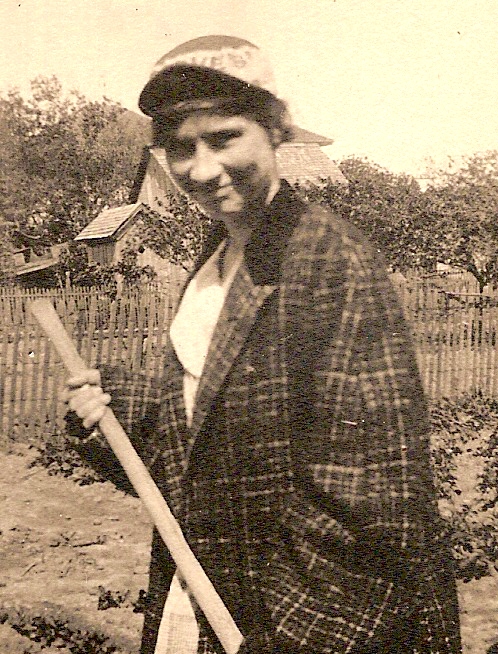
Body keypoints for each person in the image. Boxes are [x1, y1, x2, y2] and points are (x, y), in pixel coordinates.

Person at [64, 35, 461, 654]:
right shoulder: (216, 257)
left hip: (298, 618)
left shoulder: (329, 261)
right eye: (180, 148)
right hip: (203, 591)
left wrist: (300, 638)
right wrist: (112, 404)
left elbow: (378, 494)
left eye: (224, 138)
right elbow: (202, 429)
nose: (201, 169)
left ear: (275, 130)